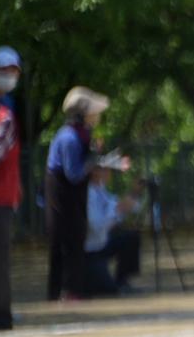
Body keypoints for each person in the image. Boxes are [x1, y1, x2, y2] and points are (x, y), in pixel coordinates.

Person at [45, 88, 111, 301]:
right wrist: (92, 160)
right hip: (63, 198)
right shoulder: (69, 138)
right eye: (93, 112)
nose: (97, 116)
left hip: (72, 199)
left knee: (74, 241)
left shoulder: (80, 135)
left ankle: (71, 290)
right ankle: (65, 291)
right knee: (66, 243)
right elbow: (73, 174)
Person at [82, 160, 142, 294]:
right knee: (108, 291)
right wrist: (118, 211)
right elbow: (96, 227)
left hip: (101, 243)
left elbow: (128, 207)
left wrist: (134, 193)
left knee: (131, 237)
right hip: (90, 251)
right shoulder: (87, 194)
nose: (109, 173)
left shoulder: (101, 189)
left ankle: (123, 280)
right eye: (105, 169)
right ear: (95, 172)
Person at [0, 46, 20, 330]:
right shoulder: (4, 112)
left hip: (2, 196)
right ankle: (0, 315)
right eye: (2, 71)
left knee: (0, 258)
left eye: (13, 71)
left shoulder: (6, 108)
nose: (8, 76)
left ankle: (1, 314)